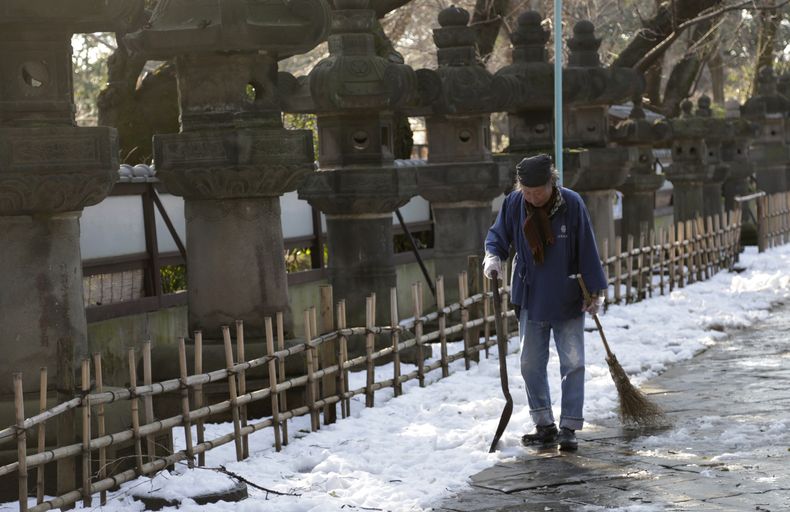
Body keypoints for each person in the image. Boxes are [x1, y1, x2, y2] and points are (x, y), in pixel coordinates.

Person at [483, 153, 607, 451]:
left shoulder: (572, 204)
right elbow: (498, 236)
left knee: (573, 362)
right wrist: (493, 257)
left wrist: (594, 291)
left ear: (552, 183)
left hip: (567, 295)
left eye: (538, 191)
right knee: (529, 363)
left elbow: (587, 248)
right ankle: (544, 423)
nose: (533, 197)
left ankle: (569, 426)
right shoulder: (514, 204)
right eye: (527, 192)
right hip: (530, 295)